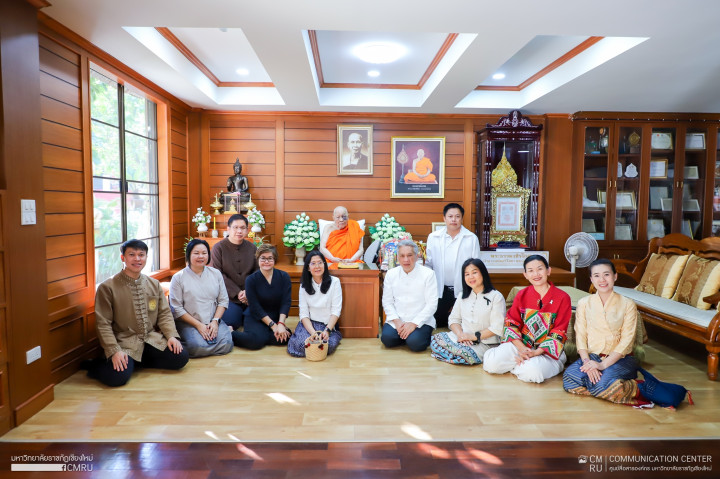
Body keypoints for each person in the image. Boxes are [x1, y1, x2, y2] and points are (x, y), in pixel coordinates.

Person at [87, 239, 188, 387]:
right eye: (132, 255)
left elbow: (164, 314)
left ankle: (136, 362)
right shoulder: (107, 287)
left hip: (150, 339)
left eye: (141, 255)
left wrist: (171, 336)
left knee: (181, 357)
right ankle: (96, 366)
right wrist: (114, 351)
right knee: (117, 378)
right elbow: (103, 324)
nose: (137, 259)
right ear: (123, 258)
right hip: (125, 343)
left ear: (146, 257)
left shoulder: (154, 284)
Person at [563, 259, 651, 406]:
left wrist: (602, 366)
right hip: (592, 357)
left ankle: (630, 386)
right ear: (591, 279)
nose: (602, 280)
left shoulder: (628, 304)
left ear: (615, 276)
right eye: (596, 276)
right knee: (569, 377)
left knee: (600, 382)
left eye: (606, 274)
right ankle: (610, 388)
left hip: (621, 359)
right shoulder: (584, 303)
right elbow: (581, 336)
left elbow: (627, 340)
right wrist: (588, 363)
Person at [482, 255, 571, 383]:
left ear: (548, 271)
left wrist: (536, 353)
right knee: (491, 363)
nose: (536, 274)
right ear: (525, 275)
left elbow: (559, 331)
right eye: (530, 270)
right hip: (521, 345)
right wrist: (522, 348)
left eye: (540, 269)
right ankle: (521, 364)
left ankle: (519, 365)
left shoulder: (562, 297)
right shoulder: (521, 295)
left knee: (533, 373)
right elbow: (511, 323)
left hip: (547, 351)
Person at [430, 258, 505, 365]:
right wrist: (461, 335)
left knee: (465, 353)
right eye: (467, 274)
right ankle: (454, 356)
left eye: (474, 272)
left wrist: (472, 337)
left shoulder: (496, 297)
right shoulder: (462, 295)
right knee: (436, 339)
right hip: (462, 338)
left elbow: (497, 328)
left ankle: (452, 356)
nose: (471, 277)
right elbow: (453, 319)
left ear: (483, 273)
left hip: (484, 342)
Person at [169, 239, 233, 358]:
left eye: (204, 253)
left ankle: (219, 331)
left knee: (227, 344)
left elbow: (223, 300)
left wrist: (215, 321)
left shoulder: (216, 273)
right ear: (188, 255)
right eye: (196, 253)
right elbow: (176, 308)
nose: (201, 256)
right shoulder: (178, 277)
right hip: (189, 322)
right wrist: (199, 325)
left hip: (212, 320)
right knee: (197, 347)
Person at [425, 203, 481, 328]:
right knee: (438, 322)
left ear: (462, 218)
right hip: (440, 289)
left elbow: (476, 267)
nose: (454, 219)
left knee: (465, 324)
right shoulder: (433, 237)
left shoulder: (471, 238)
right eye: (450, 216)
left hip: (464, 288)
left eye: (457, 216)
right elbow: (429, 264)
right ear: (444, 218)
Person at [380, 239, 438, 352]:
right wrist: (397, 322)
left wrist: (413, 324)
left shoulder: (428, 274)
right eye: (402, 256)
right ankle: (406, 335)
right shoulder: (391, 274)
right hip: (398, 319)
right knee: (387, 339)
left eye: (409, 255)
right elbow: (387, 302)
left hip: (420, 320)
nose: (406, 260)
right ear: (398, 257)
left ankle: (410, 336)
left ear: (416, 256)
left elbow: (432, 304)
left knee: (416, 344)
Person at [232, 244, 292, 350]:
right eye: (263, 258)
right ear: (258, 259)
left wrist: (281, 323)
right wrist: (274, 326)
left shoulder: (284, 276)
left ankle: (263, 335)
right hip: (255, 315)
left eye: (270, 258)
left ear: (275, 259)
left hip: (274, 315)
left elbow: (286, 302)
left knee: (285, 338)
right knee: (256, 343)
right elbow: (255, 307)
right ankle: (230, 332)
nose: (266, 261)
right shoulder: (251, 280)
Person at [287, 251, 343, 357]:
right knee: (300, 345)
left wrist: (327, 331)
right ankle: (299, 332)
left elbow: (336, 311)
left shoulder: (335, 282)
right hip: (310, 324)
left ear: (324, 265)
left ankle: (333, 335)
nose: (317, 266)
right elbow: (303, 314)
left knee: (325, 345)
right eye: (313, 263)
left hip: (327, 325)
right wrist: (313, 333)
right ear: (308, 267)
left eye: (320, 263)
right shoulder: (304, 285)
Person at [211, 214, 257, 329]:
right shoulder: (218, 248)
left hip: (249, 296)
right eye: (235, 227)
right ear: (228, 229)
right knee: (232, 321)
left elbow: (257, 272)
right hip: (228, 297)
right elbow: (217, 274)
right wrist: (237, 292)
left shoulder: (252, 248)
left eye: (242, 228)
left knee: (254, 321)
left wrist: (248, 291)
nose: (239, 231)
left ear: (247, 230)